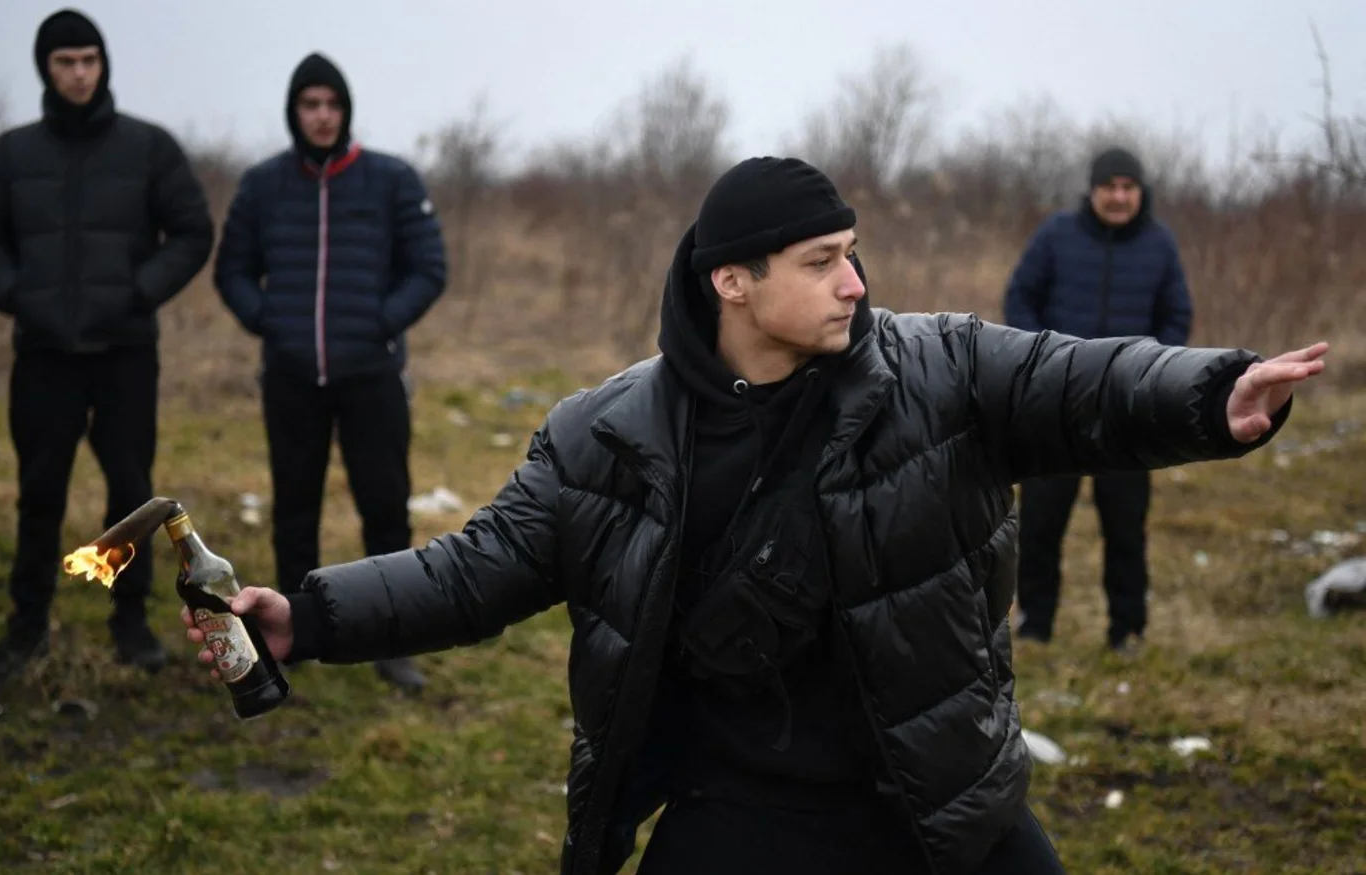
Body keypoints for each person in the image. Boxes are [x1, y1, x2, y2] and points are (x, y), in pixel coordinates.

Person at [184, 156, 1326, 875]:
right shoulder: (605, 434)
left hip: (937, 796)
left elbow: (1075, 381)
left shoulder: (936, 370)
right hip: (743, 810)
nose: (854, 285)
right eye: (822, 262)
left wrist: (1209, 392)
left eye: (853, 257)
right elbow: (477, 568)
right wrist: (308, 616)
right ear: (731, 280)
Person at [0, 8, 214, 683]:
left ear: (103, 65)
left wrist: (140, 290)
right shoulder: (13, 154)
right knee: (39, 493)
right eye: (65, 62)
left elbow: (193, 230)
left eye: (89, 60)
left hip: (124, 353)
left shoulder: (149, 148)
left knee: (133, 495)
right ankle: (26, 627)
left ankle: (130, 624)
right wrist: (13, 293)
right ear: (45, 69)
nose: (78, 74)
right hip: (43, 354)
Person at [212, 52, 447, 694]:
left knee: (385, 508)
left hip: (372, 374)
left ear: (346, 110)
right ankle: (292, 638)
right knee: (295, 508)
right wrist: (271, 322)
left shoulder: (391, 180)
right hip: (291, 377)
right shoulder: (263, 185)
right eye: (310, 104)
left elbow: (429, 267)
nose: (322, 115)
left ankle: (393, 642)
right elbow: (232, 269)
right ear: (294, 112)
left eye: (332, 104)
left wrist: (380, 322)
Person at [1002, 146, 1196, 651]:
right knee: (1041, 525)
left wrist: (1152, 370)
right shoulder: (1056, 235)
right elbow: (1019, 297)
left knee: (1126, 528)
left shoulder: (1159, 244)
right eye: (1109, 186)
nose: (1118, 196)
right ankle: (1035, 625)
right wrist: (1040, 359)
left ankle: (1127, 630)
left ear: (1140, 192)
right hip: (1055, 404)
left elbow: (1176, 314)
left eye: (1128, 187)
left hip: (1127, 411)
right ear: (1092, 191)